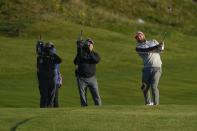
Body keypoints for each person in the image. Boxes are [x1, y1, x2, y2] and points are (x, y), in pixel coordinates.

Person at [134, 31, 164, 105]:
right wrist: (157, 46)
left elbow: (160, 50)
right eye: (137, 37)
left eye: (140, 36)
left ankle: (156, 105)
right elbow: (147, 50)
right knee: (144, 87)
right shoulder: (138, 48)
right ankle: (148, 103)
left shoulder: (153, 41)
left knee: (154, 86)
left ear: (143, 35)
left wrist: (161, 46)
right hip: (147, 68)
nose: (139, 37)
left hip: (157, 67)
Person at [74, 38, 102, 107]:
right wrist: (78, 50)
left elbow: (96, 60)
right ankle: (84, 111)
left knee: (96, 96)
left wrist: (90, 51)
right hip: (81, 79)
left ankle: (99, 109)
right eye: (89, 45)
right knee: (83, 97)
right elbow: (75, 62)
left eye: (91, 44)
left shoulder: (95, 54)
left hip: (92, 78)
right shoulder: (81, 54)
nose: (90, 46)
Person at [36, 42, 62, 108]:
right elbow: (39, 65)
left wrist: (52, 54)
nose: (48, 50)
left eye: (49, 48)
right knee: (44, 97)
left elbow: (59, 60)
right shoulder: (41, 57)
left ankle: (50, 110)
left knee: (52, 98)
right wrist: (42, 52)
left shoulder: (53, 57)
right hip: (44, 79)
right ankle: (43, 110)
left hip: (52, 79)